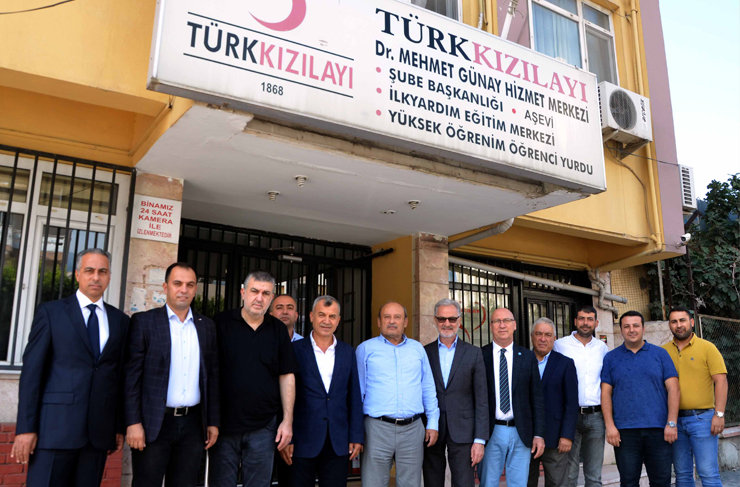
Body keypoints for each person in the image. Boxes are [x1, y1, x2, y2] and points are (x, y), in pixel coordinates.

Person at [12, 248, 130, 487]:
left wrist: (118, 427)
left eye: (102, 271)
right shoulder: (51, 312)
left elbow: (119, 378)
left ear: (109, 276)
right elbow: (32, 374)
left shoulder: (120, 321)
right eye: (89, 270)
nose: (96, 277)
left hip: (97, 436)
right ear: (77, 274)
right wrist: (25, 428)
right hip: (54, 431)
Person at [124, 262, 220, 487]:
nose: (183, 289)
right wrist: (133, 422)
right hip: (154, 424)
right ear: (166, 287)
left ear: (195, 290)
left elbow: (212, 378)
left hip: (193, 426)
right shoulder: (144, 322)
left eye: (190, 285)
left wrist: (213, 422)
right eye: (177, 283)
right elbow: (131, 379)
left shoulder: (207, 327)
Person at [211, 271, 297, 487]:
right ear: (243, 293)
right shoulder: (220, 323)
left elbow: (287, 375)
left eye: (266, 293)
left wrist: (287, 421)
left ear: (271, 297)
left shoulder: (278, 330)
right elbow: (207, 372)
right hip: (224, 427)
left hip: (264, 427)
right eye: (254, 291)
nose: (259, 298)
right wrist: (209, 420)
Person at [281, 295, 364, 487]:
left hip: (338, 440)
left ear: (338, 320)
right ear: (311, 316)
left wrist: (356, 436)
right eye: (321, 315)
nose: (327, 321)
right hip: (301, 440)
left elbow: (354, 396)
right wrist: (287, 438)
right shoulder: (294, 350)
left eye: (332, 316)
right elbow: (283, 395)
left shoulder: (347, 352)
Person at [356, 301, 440, 487]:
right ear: (379, 321)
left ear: (405, 322)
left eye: (397, 317)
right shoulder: (365, 349)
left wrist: (433, 423)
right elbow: (358, 393)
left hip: (413, 430)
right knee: (373, 484)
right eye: (387, 317)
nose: (392, 321)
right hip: (376, 429)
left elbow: (427, 387)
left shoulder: (417, 349)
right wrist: (356, 431)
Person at [601, 311, 679, 487]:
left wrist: (672, 423)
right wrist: (610, 426)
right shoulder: (611, 358)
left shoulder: (660, 354)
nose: (631, 330)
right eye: (626, 326)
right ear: (621, 330)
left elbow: (674, 389)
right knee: (628, 483)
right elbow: (605, 393)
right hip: (625, 433)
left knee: (661, 482)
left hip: (659, 430)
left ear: (643, 329)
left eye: (636, 325)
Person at [422, 298, 489, 487]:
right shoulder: (424, 352)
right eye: (442, 319)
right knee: (432, 482)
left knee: (464, 483)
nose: (447, 323)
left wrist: (479, 440)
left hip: (464, 430)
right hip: (432, 429)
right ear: (435, 320)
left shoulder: (473, 353)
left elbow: (482, 399)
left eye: (452, 319)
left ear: (459, 320)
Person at [662, 306, 728, 487]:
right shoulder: (663, 351)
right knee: (682, 476)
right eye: (674, 322)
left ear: (691, 322)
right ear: (669, 325)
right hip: (674, 421)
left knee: (708, 474)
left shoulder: (707, 348)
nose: (679, 325)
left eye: (682, 320)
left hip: (703, 420)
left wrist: (719, 414)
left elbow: (721, 381)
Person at [479, 308, 545, 487]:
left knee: (518, 483)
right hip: (491, 432)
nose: (502, 325)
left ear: (514, 325)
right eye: (497, 321)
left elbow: (537, 398)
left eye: (506, 321)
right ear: (491, 326)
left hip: (521, 431)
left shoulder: (528, 357)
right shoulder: (480, 355)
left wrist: (539, 434)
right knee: (488, 483)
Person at [553, 305, 609, 487]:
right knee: (569, 474)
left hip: (596, 417)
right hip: (570, 416)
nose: (586, 323)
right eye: (582, 319)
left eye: (590, 319)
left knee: (594, 476)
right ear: (575, 321)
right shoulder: (560, 345)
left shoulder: (602, 348)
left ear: (596, 323)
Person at [527, 318, 579, 487]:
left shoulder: (565, 363)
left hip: (556, 437)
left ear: (554, 338)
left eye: (548, 335)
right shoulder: (521, 360)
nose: (543, 339)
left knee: (557, 483)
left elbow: (571, 404)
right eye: (539, 334)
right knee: (526, 482)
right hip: (525, 436)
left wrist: (567, 435)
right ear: (532, 336)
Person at [271, 294, 302, 487]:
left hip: (295, 423)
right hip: (264, 420)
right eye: (279, 307)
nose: (284, 311)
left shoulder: (306, 346)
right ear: (270, 313)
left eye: (290, 307)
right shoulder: (262, 341)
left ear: (296, 315)